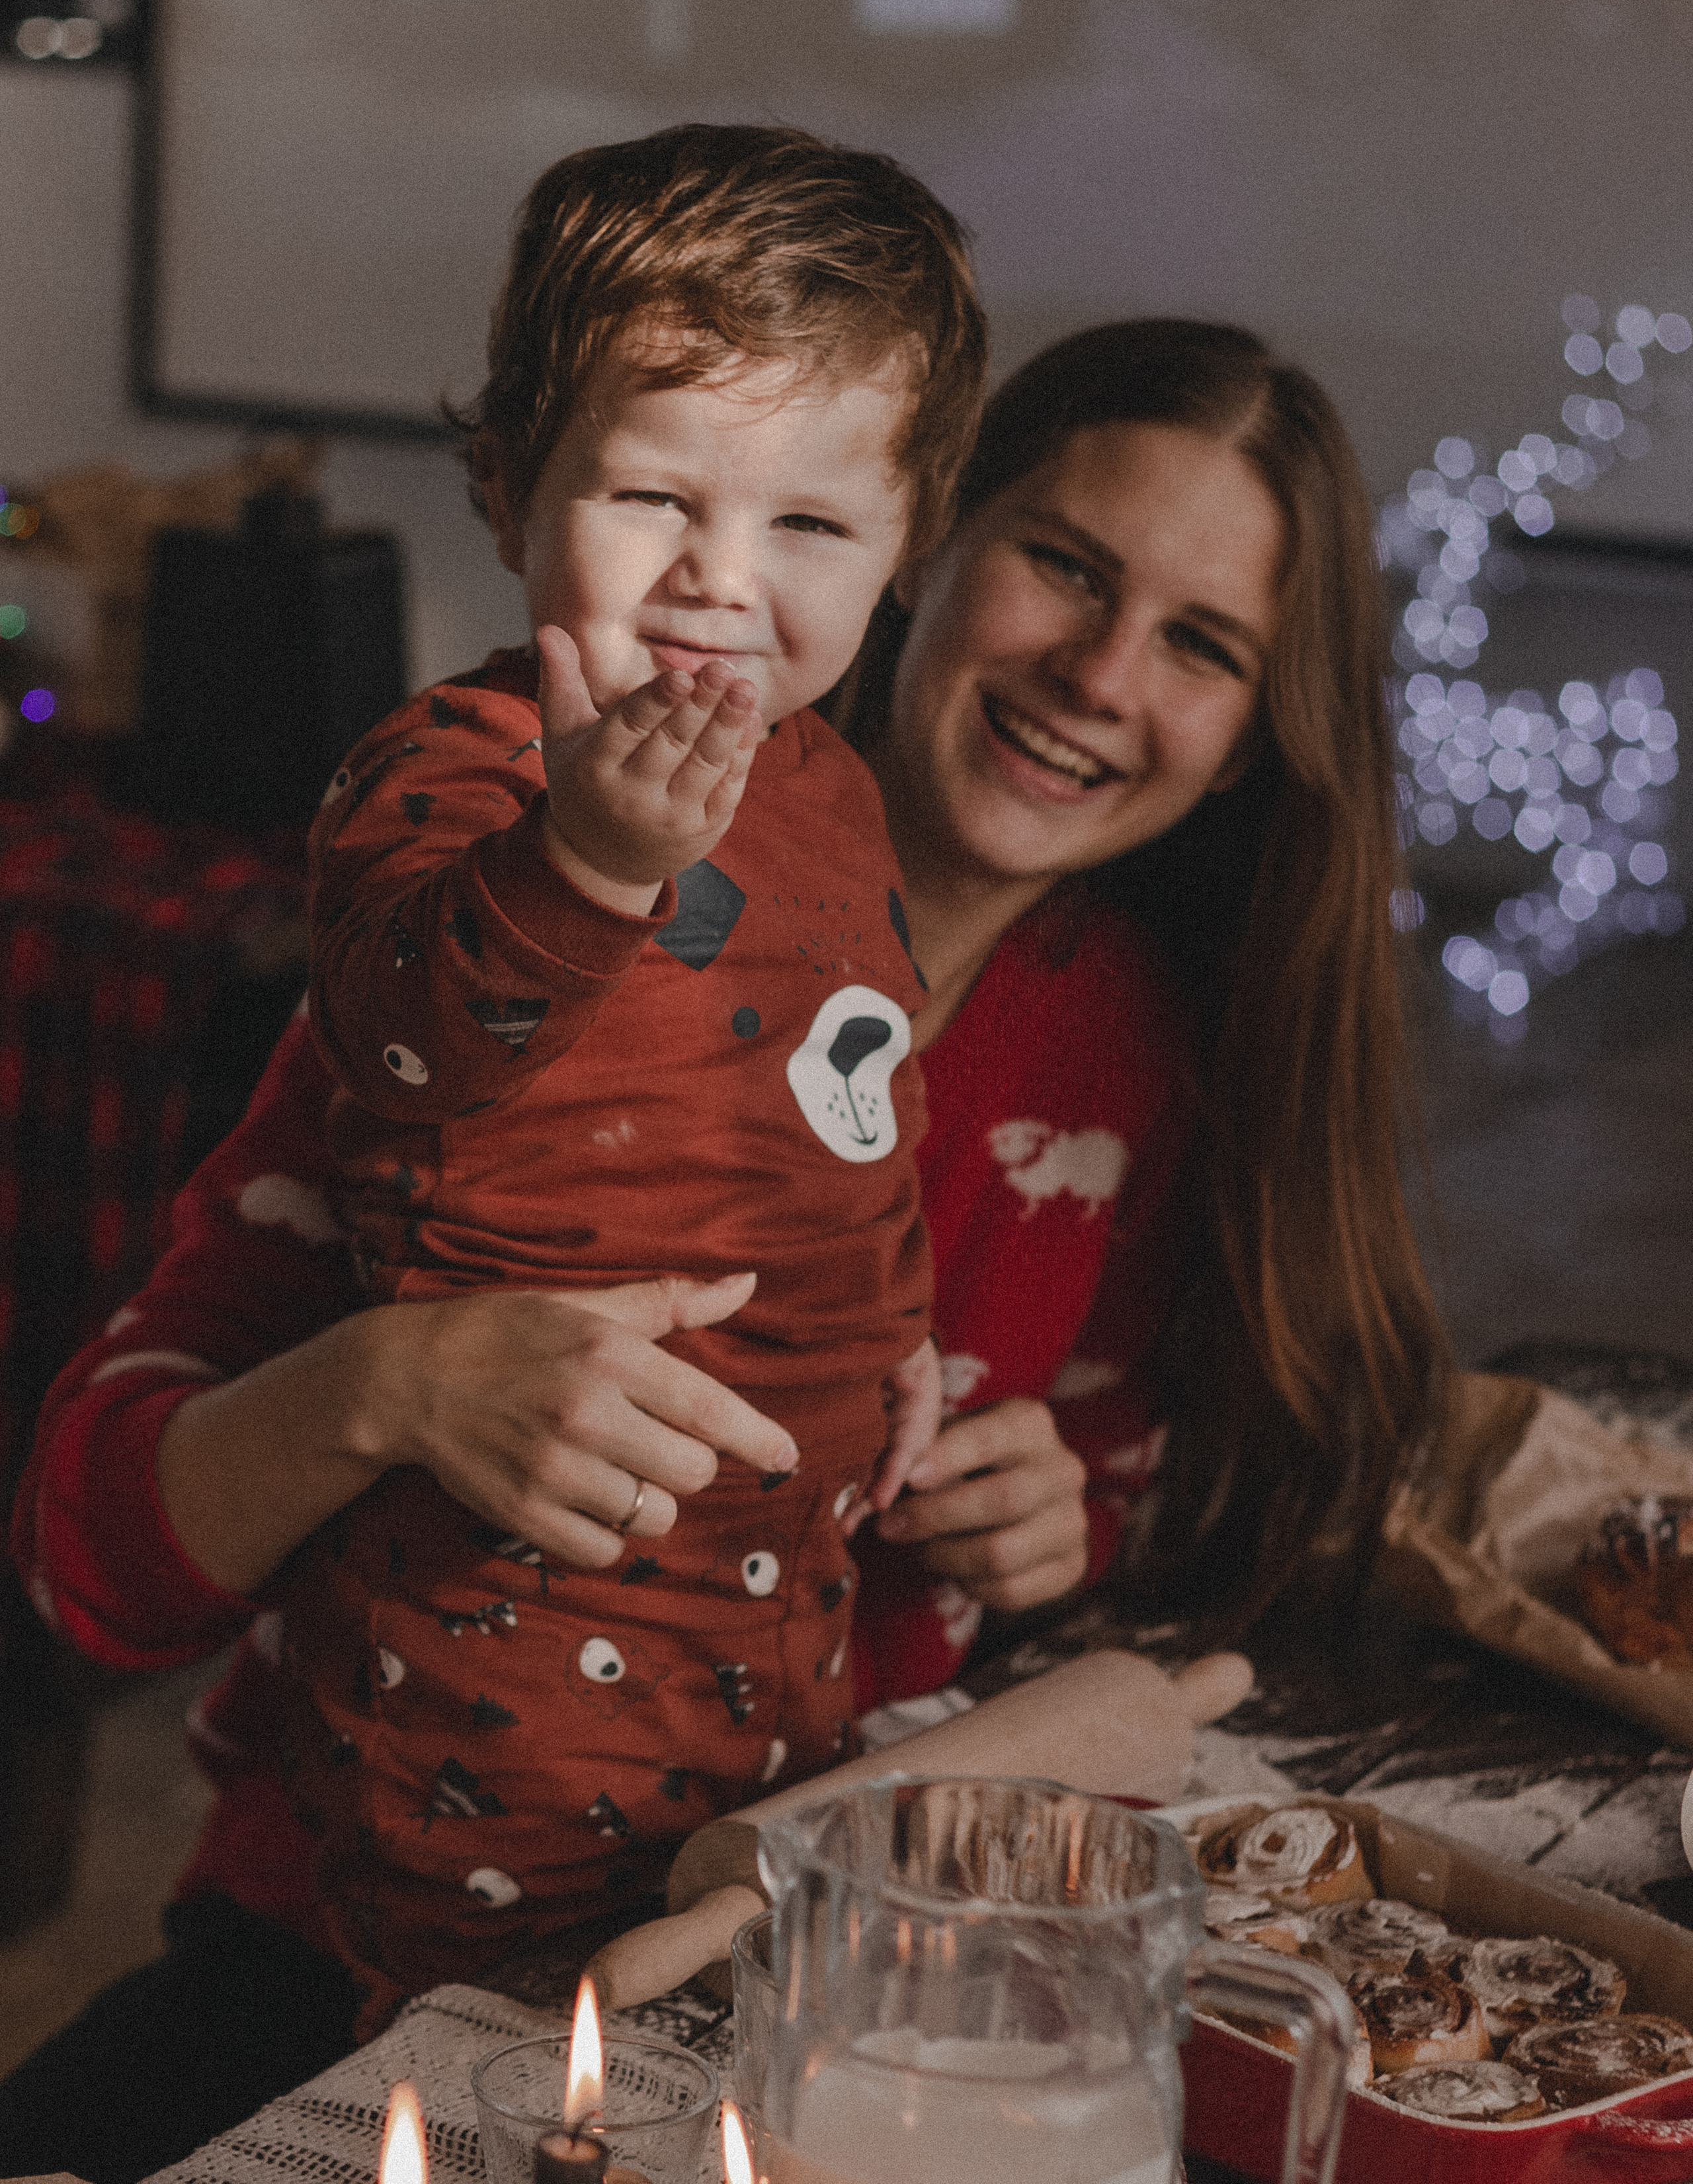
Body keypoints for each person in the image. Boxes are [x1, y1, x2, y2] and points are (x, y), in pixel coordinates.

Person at [7, 315, 1447, 2183]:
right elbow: (89, 1554)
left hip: (828, 1969)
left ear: (1259, 730)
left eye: (1201, 644)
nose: (1100, 675)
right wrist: (389, 1387)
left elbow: (1134, 1473)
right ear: (928, 540)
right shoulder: (499, 936)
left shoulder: (1137, 1067)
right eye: (1066, 568)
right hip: (343, 1954)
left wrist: (1063, 1514)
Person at [282, 121, 986, 2031]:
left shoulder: (840, 797)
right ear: (513, 490)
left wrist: (894, 1334)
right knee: (480, 2040)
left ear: (906, 546)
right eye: (654, 498)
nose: (719, 586)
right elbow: (401, 1037)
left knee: (716, 2007)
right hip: (507, 1613)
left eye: (813, 529)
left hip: (780, 1601)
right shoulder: (457, 772)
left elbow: (864, 1106)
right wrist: (580, 864)